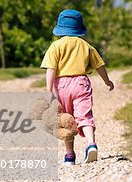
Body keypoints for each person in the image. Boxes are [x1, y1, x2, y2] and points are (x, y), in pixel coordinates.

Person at [40, 9, 114, 165]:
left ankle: (69, 155)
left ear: (60, 29)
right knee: (85, 116)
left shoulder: (56, 46)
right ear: (79, 28)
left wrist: (48, 90)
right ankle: (91, 144)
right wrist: (107, 81)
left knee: (67, 120)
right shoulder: (85, 45)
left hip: (62, 87)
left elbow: (50, 69)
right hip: (81, 84)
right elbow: (99, 66)